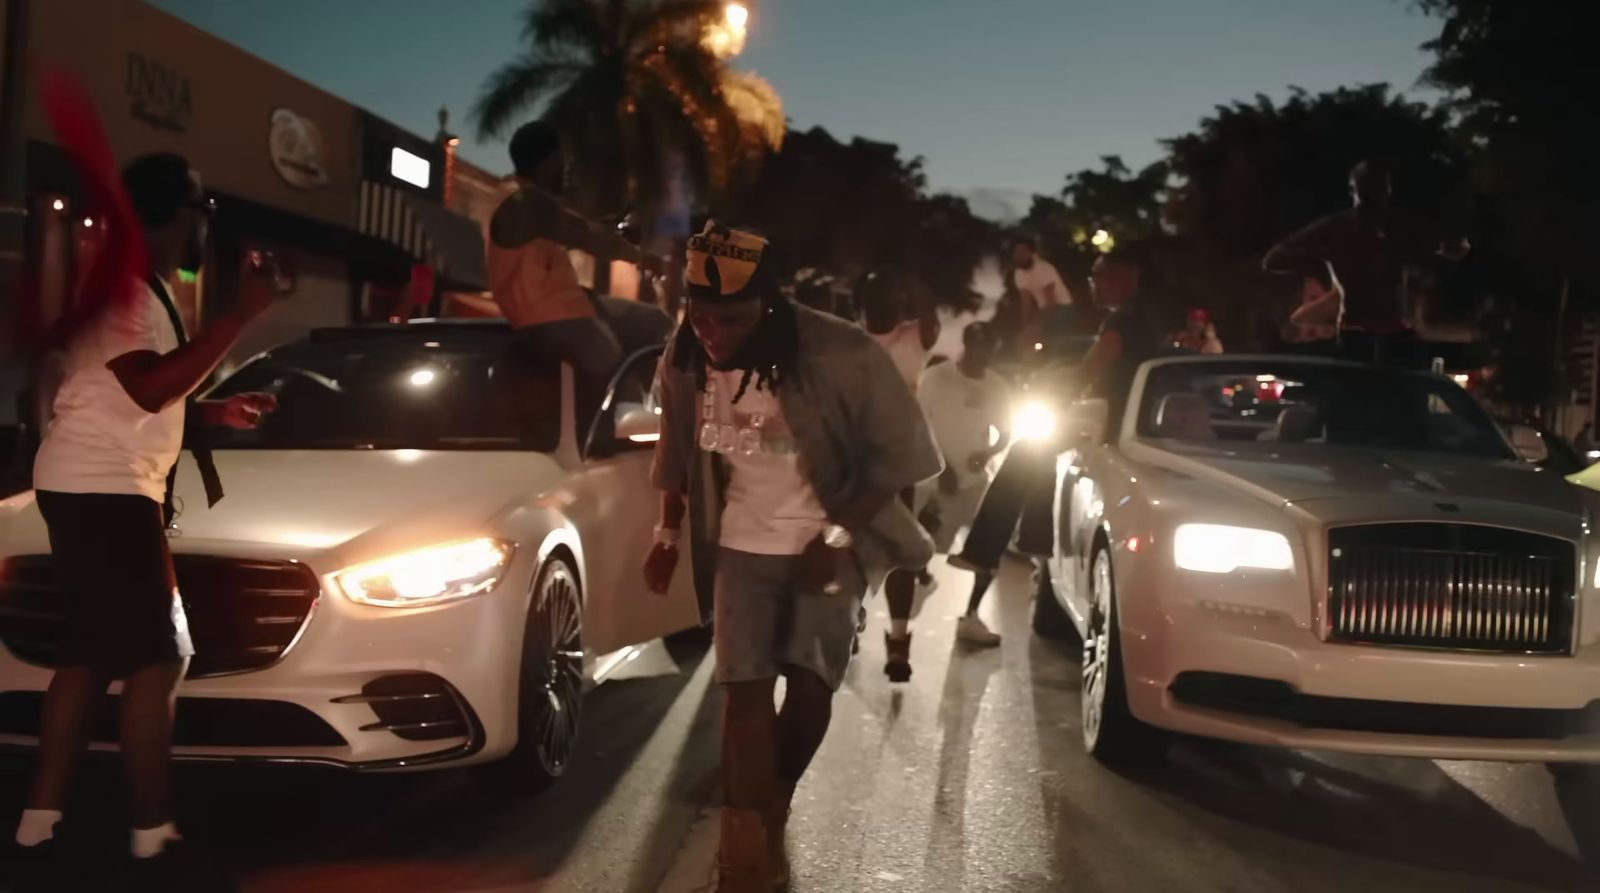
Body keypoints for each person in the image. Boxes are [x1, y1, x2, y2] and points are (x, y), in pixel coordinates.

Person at [8, 154, 279, 887]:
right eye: (201, 206)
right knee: (161, 654)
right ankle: (152, 831)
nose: (208, 220)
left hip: (97, 483)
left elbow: (128, 394)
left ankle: (39, 820)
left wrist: (214, 409)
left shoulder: (137, 283)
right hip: (103, 490)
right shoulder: (125, 287)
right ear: (172, 215)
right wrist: (241, 314)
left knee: (91, 656)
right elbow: (148, 389)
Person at [644, 223, 940, 891]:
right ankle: (745, 854)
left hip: (827, 544)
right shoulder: (688, 351)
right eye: (701, 314)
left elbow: (900, 460)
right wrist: (665, 536)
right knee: (742, 690)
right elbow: (676, 447)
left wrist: (836, 536)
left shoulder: (841, 352)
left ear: (769, 305)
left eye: (730, 317)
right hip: (741, 545)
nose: (713, 330)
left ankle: (769, 806)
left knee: (809, 688)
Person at [953, 246, 1170, 582]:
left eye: (1097, 276)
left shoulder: (1122, 319)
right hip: (1122, 415)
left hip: (1112, 419)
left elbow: (1089, 369)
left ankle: (985, 550)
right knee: (1039, 452)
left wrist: (1058, 392)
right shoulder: (1146, 316)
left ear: (1125, 278)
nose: (1092, 284)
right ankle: (1034, 539)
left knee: (1026, 451)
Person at [487, 121, 624, 437]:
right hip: (555, 319)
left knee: (640, 323)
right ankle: (594, 438)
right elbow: (587, 234)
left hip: (557, 311)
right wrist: (640, 256)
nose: (566, 169)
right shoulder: (524, 201)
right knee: (608, 354)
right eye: (563, 161)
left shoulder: (526, 198)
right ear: (548, 160)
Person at [1263, 160, 1467, 367]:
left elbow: (1458, 247)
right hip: (1363, 331)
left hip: (1386, 331)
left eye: (1377, 189)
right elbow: (1275, 259)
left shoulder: (1397, 226)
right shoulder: (1341, 227)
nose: (1374, 196)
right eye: (1369, 189)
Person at [856, 269, 940, 682]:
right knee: (850, 541)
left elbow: (930, 316)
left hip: (899, 461)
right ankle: (850, 617)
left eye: (890, 295)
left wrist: (914, 285)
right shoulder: (848, 340)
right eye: (876, 297)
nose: (884, 304)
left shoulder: (913, 337)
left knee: (899, 549)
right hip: (853, 458)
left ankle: (899, 638)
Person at [916, 322, 1011, 646]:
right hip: (934, 483)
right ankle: (921, 580)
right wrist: (941, 468)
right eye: (979, 347)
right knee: (921, 547)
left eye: (991, 349)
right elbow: (918, 425)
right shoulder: (936, 378)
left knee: (988, 549)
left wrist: (987, 453)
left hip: (975, 484)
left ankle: (971, 617)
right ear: (967, 345)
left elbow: (1006, 433)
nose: (984, 356)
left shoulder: (998, 386)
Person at [1010, 235, 1074, 359]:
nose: (1020, 255)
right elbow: (1026, 302)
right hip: (1044, 308)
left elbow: (1051, 301)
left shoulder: (1044, 268)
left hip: (1062, 308)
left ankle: (1056, 364)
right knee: (1031, 342)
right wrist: (1026, 327)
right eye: (1017, 252)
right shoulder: (1019, 274)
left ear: (1031, 252)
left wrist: (1036, 326)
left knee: (1055, 344)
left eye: (1023, 251)